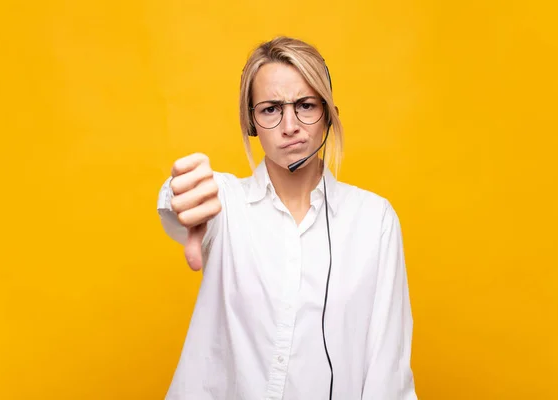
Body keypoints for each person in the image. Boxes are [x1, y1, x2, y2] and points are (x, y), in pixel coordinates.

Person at [157, 36, 418, 400]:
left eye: (306, 105)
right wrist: (180, 193)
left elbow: (387, 371)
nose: (290, 125)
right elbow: (180, 202)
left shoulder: (375, 221)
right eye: (270, 109)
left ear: (328, 113)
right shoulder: (224, 202)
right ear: (252, 122)